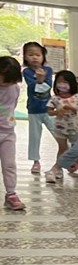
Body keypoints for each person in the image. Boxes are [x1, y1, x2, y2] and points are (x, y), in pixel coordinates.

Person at [44, 70, 78, 182]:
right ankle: (58, 169)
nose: (62, 84)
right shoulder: (55, 98)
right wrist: (57, 112)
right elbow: (49, 112)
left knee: (77, 148)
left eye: (65, 82)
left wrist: (72, 108)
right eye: (59, 82)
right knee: (62, 148)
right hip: (60, 128)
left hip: (75, 128)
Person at [21, 41, 55, 174]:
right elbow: (33, 87)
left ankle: (70, 158)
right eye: (30, 55)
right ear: (25, 57)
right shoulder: (27, 72)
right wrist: (40, 81)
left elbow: (48, 86)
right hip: (33, 110)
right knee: (34, 137)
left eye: (38, 55)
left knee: (58, 133)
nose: (34, 57)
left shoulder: (48, 70)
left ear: (43, 56)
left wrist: (41, 82)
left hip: (48, 109)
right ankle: (36, 161)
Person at [0, 55, 25, 211]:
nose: (8, 84)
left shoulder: (15, 88)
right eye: (5, 80)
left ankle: (11, 194)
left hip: (8, 132)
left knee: (9, 164)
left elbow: (12, 106)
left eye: (11, 81)